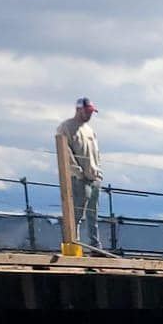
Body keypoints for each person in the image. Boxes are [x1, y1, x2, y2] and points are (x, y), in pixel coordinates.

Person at [56, 98, 103, 250]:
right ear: (78, 109)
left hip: (94, 177)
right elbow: (66, 152)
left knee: (93, 214)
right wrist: (78, 172)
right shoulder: (66, 127)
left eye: (91, 112)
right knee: (77, 212)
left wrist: (98, 172)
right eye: (87, 111)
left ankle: (95, 245)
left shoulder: (90, 130)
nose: (90, 115)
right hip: (79, 178)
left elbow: (96, 153)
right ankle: (72, 244)